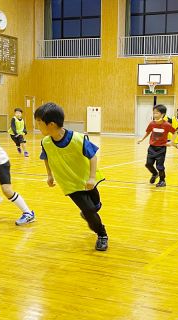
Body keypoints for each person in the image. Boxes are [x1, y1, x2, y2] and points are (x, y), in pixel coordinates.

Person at [34, 102, 109, 251]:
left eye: (39, 123)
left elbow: (92, 157)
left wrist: (92, 178)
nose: (37, 126)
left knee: (95, 205)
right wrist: (49, 175)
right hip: (69, 184)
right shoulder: (46, 142)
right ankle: (102, 234)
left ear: (51, 124)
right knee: (90, 211)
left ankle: (89, 213)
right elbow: (46, 157)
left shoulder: (78, 139)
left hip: (86, 181)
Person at [138, 104, 177, 187]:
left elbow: (175, 132)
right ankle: (155, 174)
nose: (154, 114)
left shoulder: (166, 125)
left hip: (161, 149)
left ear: (162, 114)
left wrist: (172, 142)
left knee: (160, 166)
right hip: (151, 148)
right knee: (148, 164)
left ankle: (162, 180)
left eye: (156, 113)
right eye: (154, 113)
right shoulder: (152, 123)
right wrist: (142, 139)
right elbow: (148, 132)